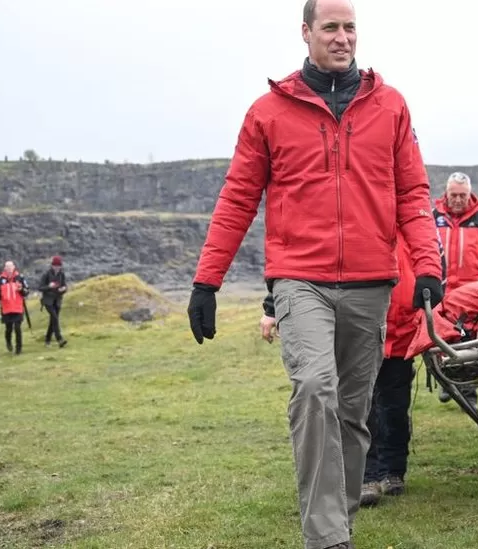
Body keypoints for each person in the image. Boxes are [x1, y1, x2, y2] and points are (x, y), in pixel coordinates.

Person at [186, 1, 443, 547]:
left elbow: (413, 192)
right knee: (312, 388)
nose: (343, 37)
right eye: (331, 27)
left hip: (373, 280)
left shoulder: (391, 106)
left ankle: (339, 513)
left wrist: (427, 265)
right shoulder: (268, 112)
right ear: (306, 33)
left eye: (351, 27)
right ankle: (328, 537)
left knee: (353, 411)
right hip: (299, 277)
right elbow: (237, 199)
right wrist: (207, 282)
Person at [260, 232, 427, 509]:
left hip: (402, 334)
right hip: (360, 331)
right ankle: (367, 476)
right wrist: (272, 307)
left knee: (396, 408)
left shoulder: (411, 231)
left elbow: (428, 269)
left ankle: (394, 471)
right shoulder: (354, 226)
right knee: (362, 408)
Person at [432, 172, 478, 410]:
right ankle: (448, 383)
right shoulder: (434, 218)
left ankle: (470, 394)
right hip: (442, 291)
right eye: (453, 195)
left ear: (470, 194)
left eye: (462, 195)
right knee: (444, 341)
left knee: (469, 343)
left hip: (471, 292)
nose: (457, 199)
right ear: (446, 193)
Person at [0, 261, 30, 355]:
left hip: (18, 307)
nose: (9, 269)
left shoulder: (20, 278)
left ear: (14, 267)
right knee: (8, 328)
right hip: (6, 308)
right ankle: (8, 342)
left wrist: (21, 289)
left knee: (17, 328)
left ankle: (19, 349)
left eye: (10, 267)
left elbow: (27, 291)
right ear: (5, 268)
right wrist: (1, 295)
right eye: (7, 267)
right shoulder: (0, 279)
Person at [38, 255, 68, 348]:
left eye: (59, 266)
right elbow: (40, 288)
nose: (57, 268)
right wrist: (49, 287)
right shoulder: (46, 274)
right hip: (48, 301)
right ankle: (59, 339)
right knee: (55, 318)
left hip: (57, 300)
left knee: (53, 320)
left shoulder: (62, 274)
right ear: (52, 265)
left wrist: (63, 289)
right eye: (55, 266)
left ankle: (47, 340)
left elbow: (64, 286)